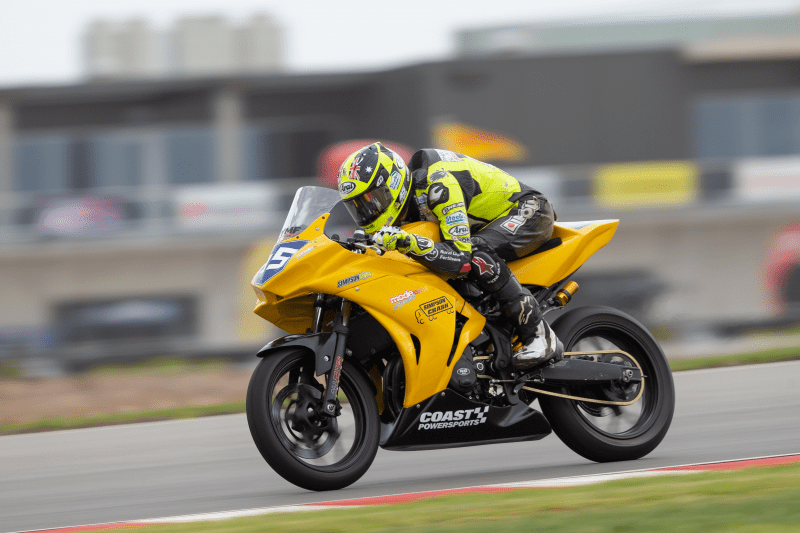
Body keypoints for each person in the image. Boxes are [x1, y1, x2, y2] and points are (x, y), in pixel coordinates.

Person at [337, 142, 562, 370]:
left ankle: (540, 334)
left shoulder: (438, 185)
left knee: (477, 254)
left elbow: (461, 258)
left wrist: (410, 243)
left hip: (529, 210)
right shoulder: (404, 205)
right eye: (358, 208)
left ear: (392, 184)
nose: (368, 212)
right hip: (485, 226)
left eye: (372, 201)